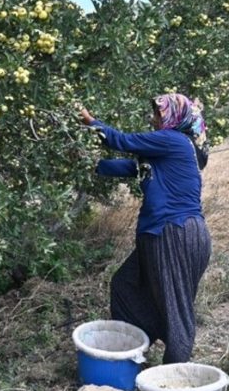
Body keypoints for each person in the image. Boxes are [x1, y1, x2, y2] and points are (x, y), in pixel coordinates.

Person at [80, 93, 213, 364]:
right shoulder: (164, 153)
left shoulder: (173, 140)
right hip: (165, 234)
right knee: (125, 284)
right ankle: (134, 352)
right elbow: (129, 167)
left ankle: (172, 383)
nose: (153, 119)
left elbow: (122, 141)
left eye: (158, 114)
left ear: (174, 117)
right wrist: (86, 165)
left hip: (174, 232)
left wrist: (90, 121)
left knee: (175, 308)